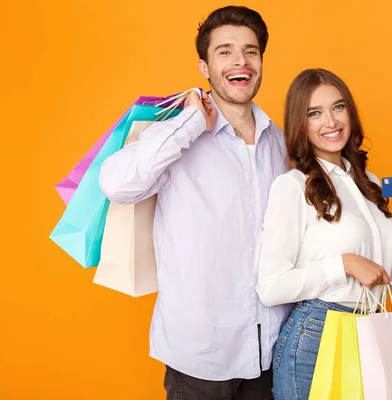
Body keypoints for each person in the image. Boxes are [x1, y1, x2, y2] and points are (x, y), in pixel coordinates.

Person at [99, 6, 291, 400]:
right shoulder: (176, 134)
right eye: (225, 52)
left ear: (260, 62)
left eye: (250, 51)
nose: (240, 61)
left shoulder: (281, 143)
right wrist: (190, 125)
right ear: (204, 67)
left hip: (272, 353)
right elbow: (116, 184)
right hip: (199, 359)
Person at [255, 68, 392, 400]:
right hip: (316, 338)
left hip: (368, 329)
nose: (331, 122)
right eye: (314, 113)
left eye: (338, 107)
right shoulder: (292, 187)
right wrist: (344, 264)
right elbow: (270, 287)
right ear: (300, 124)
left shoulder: (370, 183)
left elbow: (381, 279)